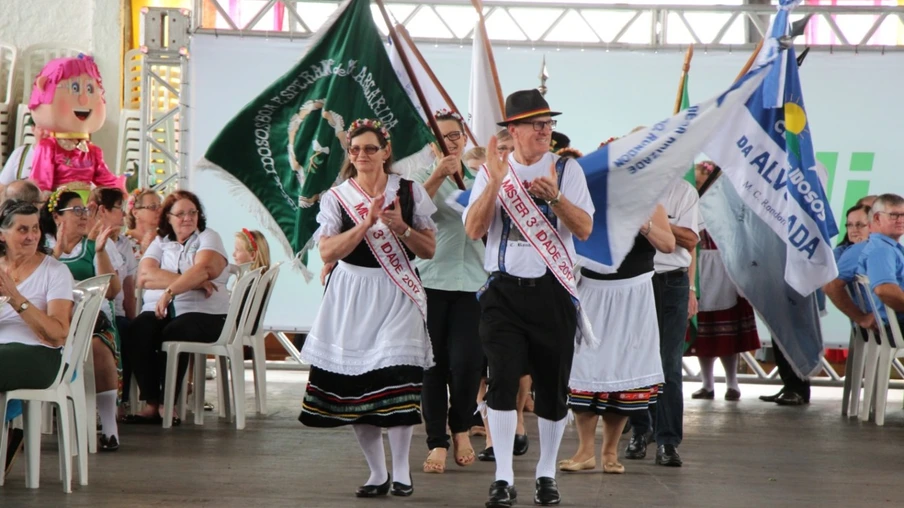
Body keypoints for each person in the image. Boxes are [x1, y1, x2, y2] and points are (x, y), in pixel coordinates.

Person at [464, 90, 594, 507]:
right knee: (502, 381)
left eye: (548, 123)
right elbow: (474, 230)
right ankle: (503, 476)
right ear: (513, 130)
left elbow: (586, 229)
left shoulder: (566, 169)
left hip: (553, 291)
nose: (544, 129)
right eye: (536, 123)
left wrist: (554, 198)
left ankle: (545, 473)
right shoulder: (492, 172)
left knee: (554, 388)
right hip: (503, 292)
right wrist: (496, 182)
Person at [298, 119, 436, 498]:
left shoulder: (409, 192)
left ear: (386, 152)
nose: (362, 155)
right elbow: (327, 251)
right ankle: (377, 473)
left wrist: (401, 227)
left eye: (370, 148)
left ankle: (403, 472)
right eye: (355, 149)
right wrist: (366, 224)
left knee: (397, 379)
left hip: (396, 291)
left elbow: (428, 249)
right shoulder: (337, 197)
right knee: (359, 387)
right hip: (352, 295)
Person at [561, 201, 675, 475]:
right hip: (592, 290)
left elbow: (669, 245)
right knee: (586, 366)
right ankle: (585, 450)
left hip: (634, 294)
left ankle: (610, 451)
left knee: (624, 368)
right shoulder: (586, 201)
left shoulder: (650, 202)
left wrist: (644, 224)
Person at [413, 110, 485, 474]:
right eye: (442, 137)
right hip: (431, 280)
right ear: (431, 142)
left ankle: (461, 427)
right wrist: (439, 174)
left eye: (456, 135)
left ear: (465, 137)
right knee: (434, 365)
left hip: (473, 282)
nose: (451, 142)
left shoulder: (480, 177)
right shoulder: (421, 177)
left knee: (469, 362)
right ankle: (437, 440)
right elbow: (410, 215)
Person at [125, 190, 231, 425]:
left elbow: (205, 269)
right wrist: (190, 279)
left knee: (175, 331)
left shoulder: (208, 237)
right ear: (168, 218)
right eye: (180, 213)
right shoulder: (160, 242)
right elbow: (144, 276)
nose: (187, 218)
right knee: (138, 328)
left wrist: (171, 291)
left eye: (192, 212)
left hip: (207, 314)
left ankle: (167, 402)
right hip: (167, 313)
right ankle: (151, 402)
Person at [626, 176, 700, 467]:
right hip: (634, 281)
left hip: (672, 282)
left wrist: (650, 224)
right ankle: (640, 431)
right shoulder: (627, 187)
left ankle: (668, 441)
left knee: (669, 362)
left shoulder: (682, 191)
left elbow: (692, 240)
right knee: (635, 359)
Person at [41, 188, 123, 450]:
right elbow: (35, 284)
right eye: (75, 211)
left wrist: (99, 252)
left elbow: (111, 291)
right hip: (52, 323)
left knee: (98, 345)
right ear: (57, 217)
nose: (83, 216)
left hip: (92, 324)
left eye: (84, 210)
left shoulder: (95, 245)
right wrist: (56, 253)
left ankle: (109, 428)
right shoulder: (42, 247)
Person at [0, 200, 74, 473]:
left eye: (35, 228)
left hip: (41, 356)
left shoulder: (54, 271)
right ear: (2, 234)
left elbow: (57, 334)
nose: (31, 236)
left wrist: (16, 299)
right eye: (22, 229)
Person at [685, 163, 760, 401]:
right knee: (704, 332)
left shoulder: (726, 204)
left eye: (698, 183)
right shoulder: (689, 204)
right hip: (700, 267)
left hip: (725, 267)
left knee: (727, 333)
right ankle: (707, 384)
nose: (696, 187)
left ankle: (732, 383)